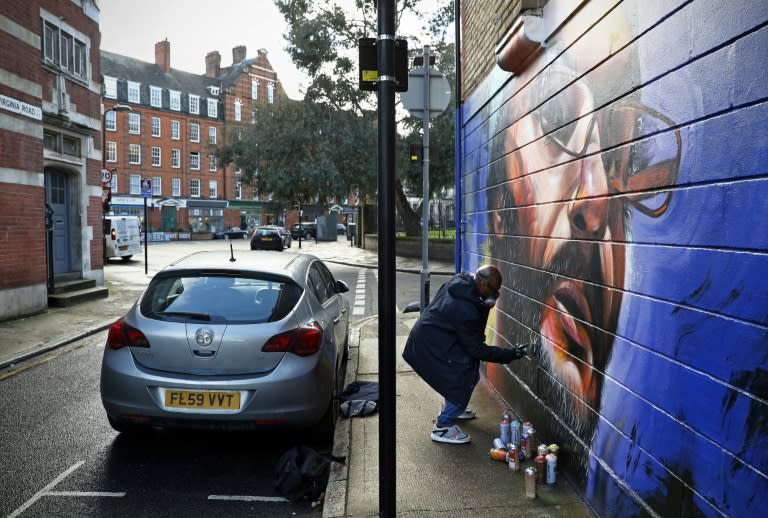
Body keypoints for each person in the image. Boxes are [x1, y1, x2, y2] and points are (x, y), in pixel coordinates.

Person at [402, 265, 527, 444]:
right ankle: (443, 426)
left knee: (470, 374)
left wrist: (483, 304)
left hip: (431, 337)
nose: (495, 295)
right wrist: (511, 354)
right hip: (431, 344)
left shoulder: (461, 283)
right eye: (493, 291)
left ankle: (451, 408)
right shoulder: (466, 309)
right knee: (463, 377)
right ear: (482, 284)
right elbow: (476, 349)